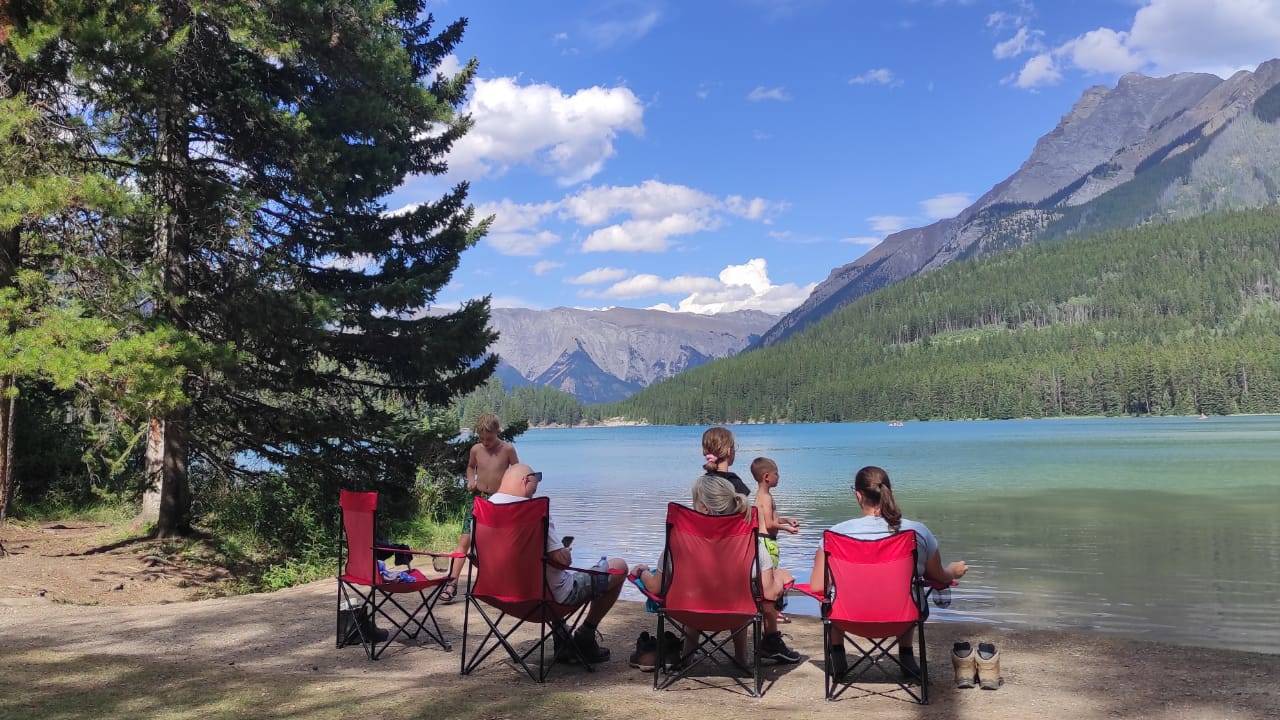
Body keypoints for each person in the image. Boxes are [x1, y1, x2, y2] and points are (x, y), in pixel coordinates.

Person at [809, 466, 968, 679]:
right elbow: (938, 576)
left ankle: (837, 657)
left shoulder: (834, 535)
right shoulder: (917, 531)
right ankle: (906, 656)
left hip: (847, 618)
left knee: (832, 594)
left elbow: (818, 586)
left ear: (858, 495)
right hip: (902, 619)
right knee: (909, 589)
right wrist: (953, 571)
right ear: (889, 492)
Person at [489, 463, 628, 664]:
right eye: (534, 488)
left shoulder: (482, 510)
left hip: (499, 595)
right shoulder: (531, 512)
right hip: (546, 600)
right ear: (525, 481)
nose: (533, 494)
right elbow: (562, 562)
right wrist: (565, 553)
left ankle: (562, 641)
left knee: (546, 575)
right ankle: (585, 634)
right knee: (619, 566)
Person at [442, 413, 519, 603]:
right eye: (482, 438)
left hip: (499, 500)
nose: (486, 442)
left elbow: (518, 472)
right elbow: (470, 467)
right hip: (477, 498)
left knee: (498, 543)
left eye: (489, 438)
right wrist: (471, 480)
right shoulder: (476, 449)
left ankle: (500, 584)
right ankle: (451, 583)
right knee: (465, 540)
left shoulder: (508, 449)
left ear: (497, 432)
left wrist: (514, 491)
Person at [750, 456, 800, 622]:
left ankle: (769, 609)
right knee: (770, 578)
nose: (778, 477)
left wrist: (786, 520)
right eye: (776, 474)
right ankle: (774, 612)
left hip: (763, 540)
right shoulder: (767, 498)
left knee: (767, 577)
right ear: (766, 477)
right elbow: (770, 524)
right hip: (767, 542)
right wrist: (787, 529)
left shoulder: (761, 495)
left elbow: (771, 519)